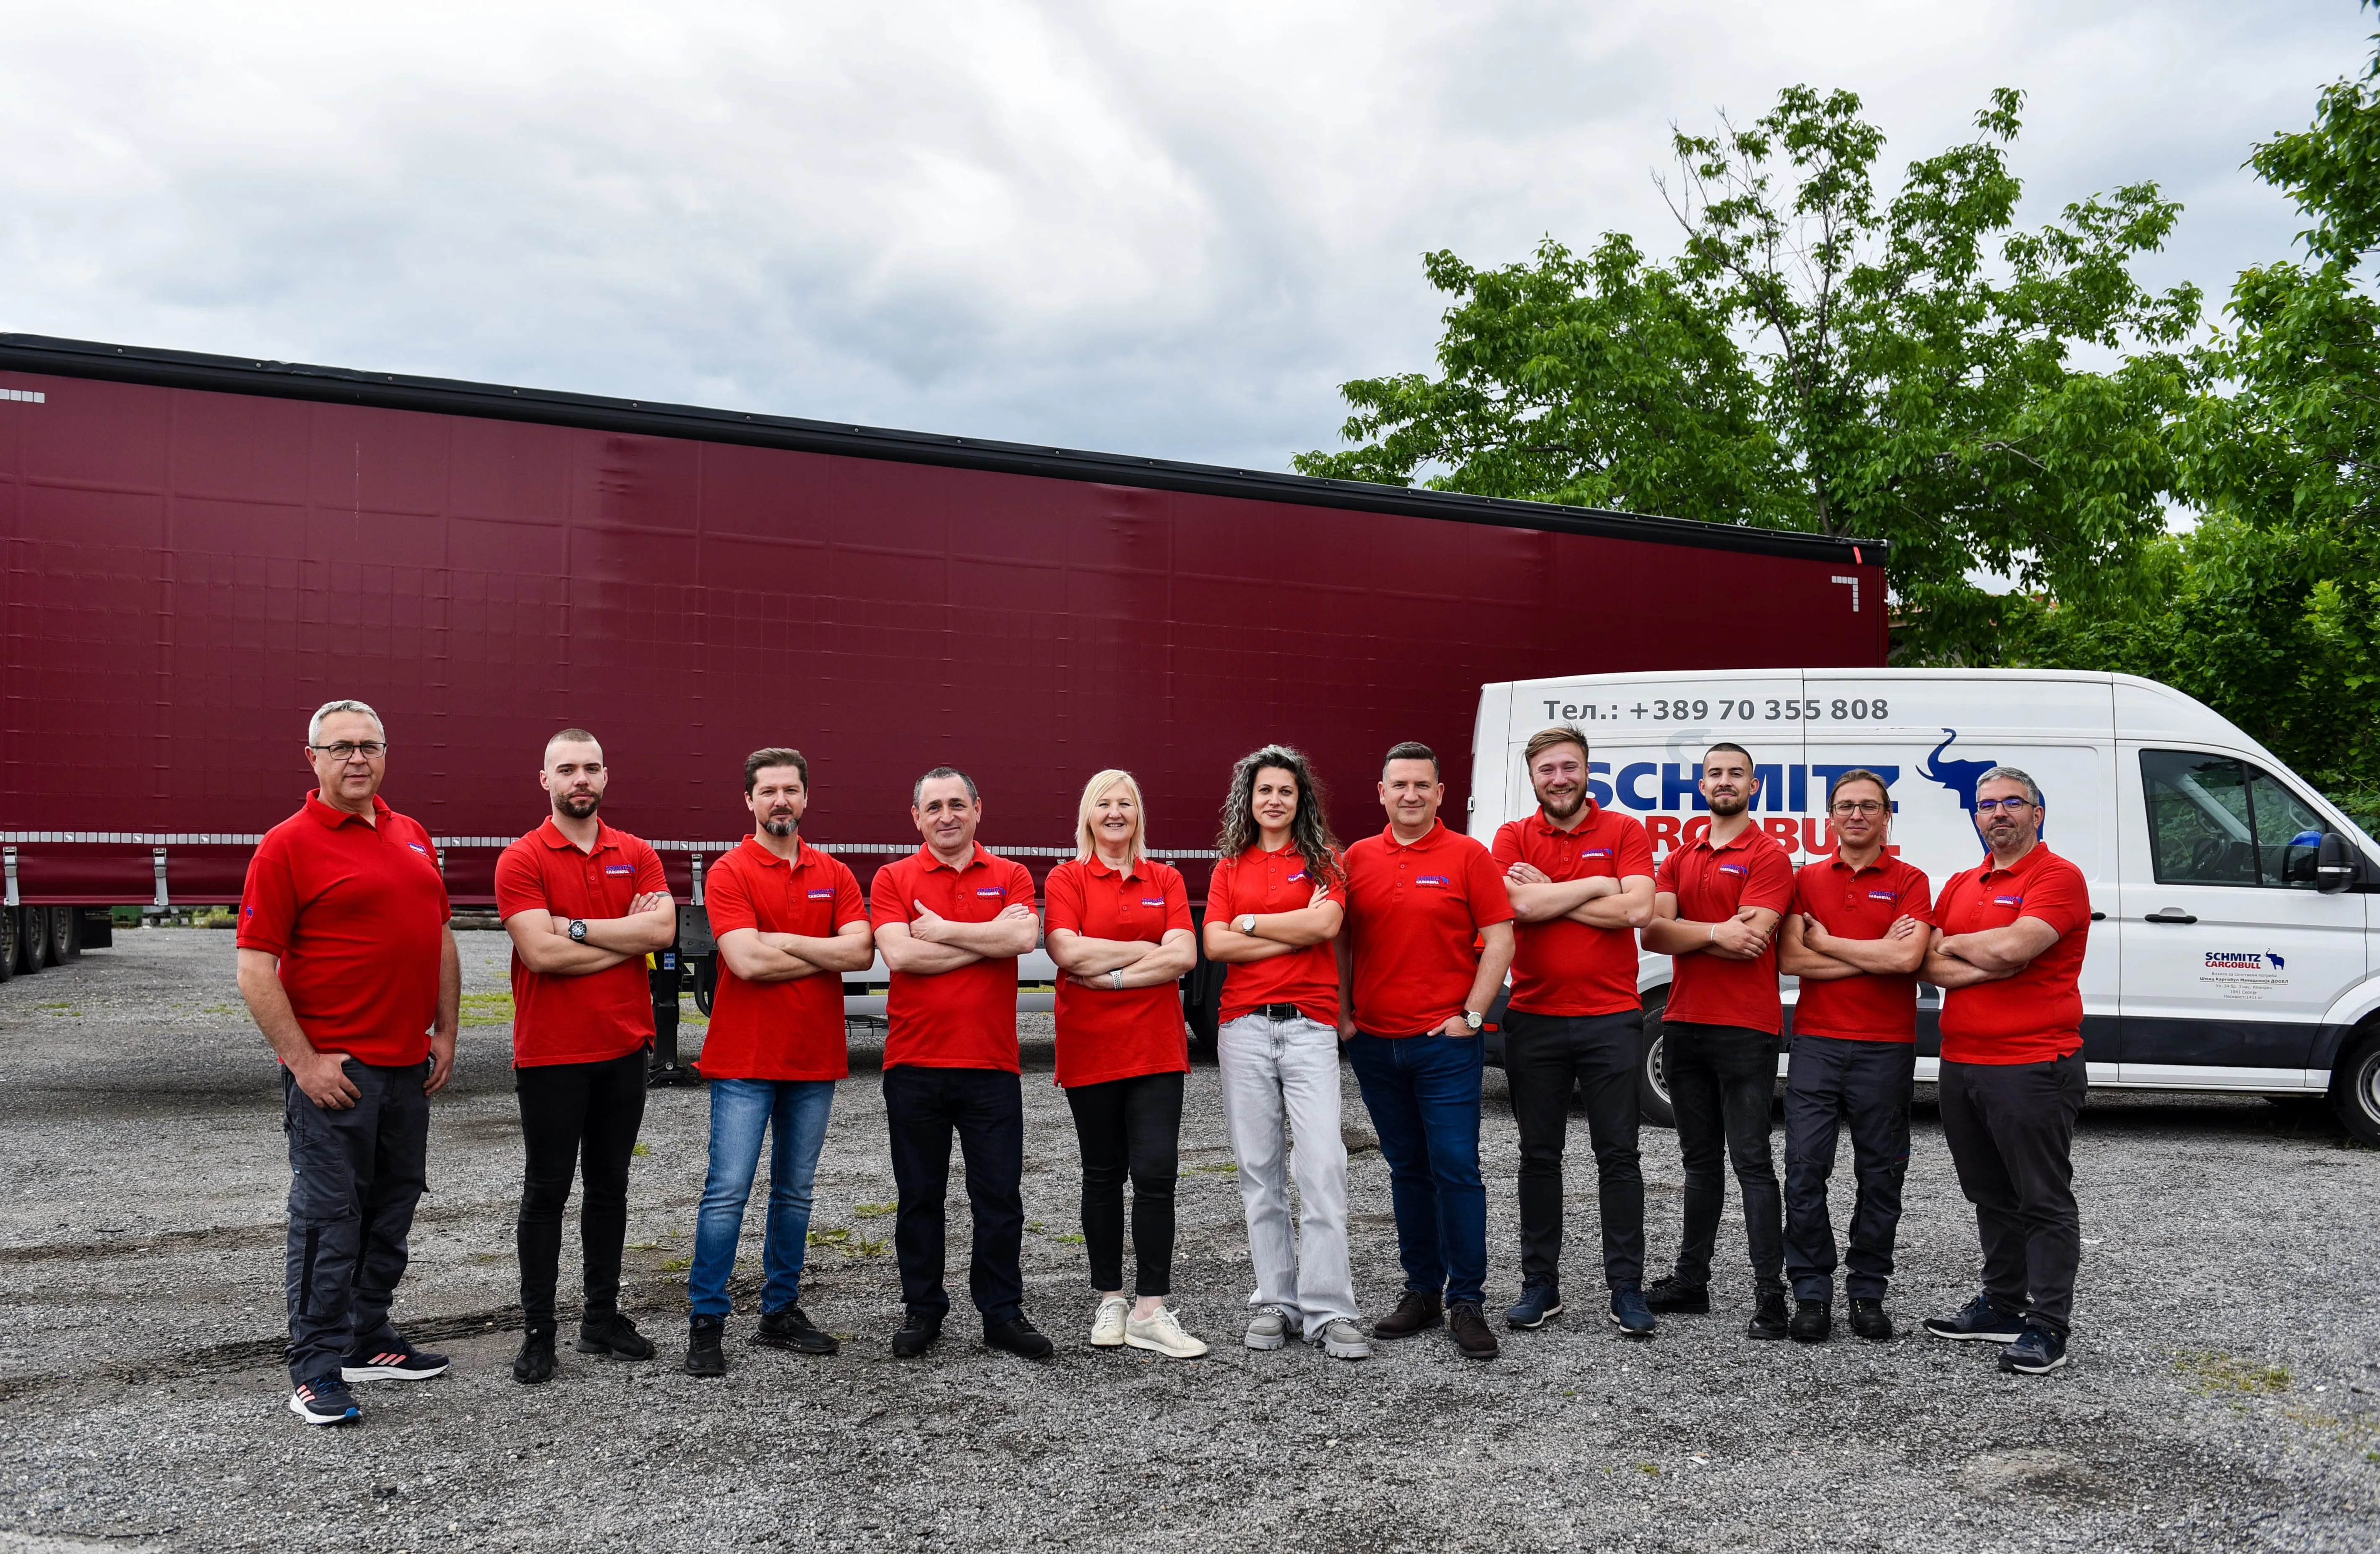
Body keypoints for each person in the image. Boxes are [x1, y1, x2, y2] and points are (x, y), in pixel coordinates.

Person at [235, 699, 459, 1426]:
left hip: (406, 1067)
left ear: (385, 753)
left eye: (368, 745)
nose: (356, 758)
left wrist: (448, 1033)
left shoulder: (413, 835)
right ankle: (315, 1366)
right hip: (337, 1074)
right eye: (340, 748)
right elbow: (255, 968)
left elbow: (440, 937)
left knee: (392, 1207)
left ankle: (368, 1337)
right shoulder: (286, 846)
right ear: (313, 759)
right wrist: (302, 1064)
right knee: (328, 1220)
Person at [680, 748, 873, 1377]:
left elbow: (862, 954)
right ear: (749, 800)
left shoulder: (834, 873)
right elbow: (745, 962)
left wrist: (783, 940)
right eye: (768, 791)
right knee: (727, 1193)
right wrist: (821, 951)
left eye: (790, 790)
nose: (780, 801)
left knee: (794, 1194)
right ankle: (706, 1323)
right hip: (744, 1061)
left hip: (813, 1060)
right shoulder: (731, 871)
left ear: (806, 798)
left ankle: (779, 1312)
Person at [493, 729, 676, 1385]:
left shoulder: (637, 852)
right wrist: (621, 940)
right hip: (551, 1055)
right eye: (566, 769)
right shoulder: (520, 859)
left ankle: (600, 1320)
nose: (580, 779)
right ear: (544, 780)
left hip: (623, 1050)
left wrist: (569, 927)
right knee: (546, 1193)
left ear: (606, 777)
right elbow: (538, 955)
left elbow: (662, 931)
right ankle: (539, 1332)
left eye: (591, 768)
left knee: (609, 1189)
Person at [1337, 741, 1516, 1361]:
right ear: (1381, 793)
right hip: (1376, 1046)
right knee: (1405, 1169)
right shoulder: (1355, 859)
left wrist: (1471, 1016)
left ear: (1440, 794)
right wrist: (1341, 1014)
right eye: (1399, 785)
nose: (1410, 795)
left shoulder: (1467, 856)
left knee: (1456, 1169)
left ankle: (1466, 1299)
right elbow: (1339, 943)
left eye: (1422, 785)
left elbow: (1498, 939)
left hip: (1444, 1047)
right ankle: (1421, 1292)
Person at [870, 767, 1051, 1361]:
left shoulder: (1012, 874)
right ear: (916, 817)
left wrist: (943, 932)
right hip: (913, 1064)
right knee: (918, 1197)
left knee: (998, 1198)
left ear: (978, 809)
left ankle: (1001, 1314)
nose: (946, 815)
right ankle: (922, 1311)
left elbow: (1024, 943)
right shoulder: (893, 877)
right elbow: (899, 954)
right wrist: (983, 937)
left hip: (991, 1066)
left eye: (957, 804)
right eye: (934, 807)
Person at [1919, 766, 2093, 1375]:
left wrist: (1967, 945)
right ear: (1973, 816)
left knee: (2041, 1199)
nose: (1997, 813)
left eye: (2011, 803)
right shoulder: (1962, 882)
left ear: (2036, 813)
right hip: (1962, 1064)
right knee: (1989, 1194)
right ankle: (2000, 1304)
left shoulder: (2058, 878)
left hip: (2032, 1064)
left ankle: (2048, 1326)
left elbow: (2015, 949)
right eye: (1985, 805)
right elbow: (1927, 967)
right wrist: (1985, 954)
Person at [1492, 726, 1659, 1337]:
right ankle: (1541, 1286)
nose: (1558, 779)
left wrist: (1549, 892)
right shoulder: (1511, 836)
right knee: (1538, 1157)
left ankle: (1626, 1289)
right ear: (1532, 777)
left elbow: (1639, 910)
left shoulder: (1623, 831)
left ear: (1587, 770)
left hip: (1610, 1018)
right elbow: (1515, 907)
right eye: (1546, 770)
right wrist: (1596, 885)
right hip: (1533, 1018)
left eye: (1568, 767)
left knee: (1618, 1156)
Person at [1205, 746, 1369, 1361]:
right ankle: (1276, 1300)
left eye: (1285, 791)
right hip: (1243, 1028)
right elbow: (1214, 945)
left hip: (1308, 1029)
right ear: (1248, 800)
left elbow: (1324, 929)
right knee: (1259, 1172)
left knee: (1323, 1166)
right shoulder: (1228, 868)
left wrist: (1249, 924)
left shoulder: (1324, 860)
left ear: (1301, 801)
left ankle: (1330, 1310)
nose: (1273, 800)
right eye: (1264, 791)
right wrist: (1279, 927)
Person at [1043, 770, 1203, 1358]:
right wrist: (1143, 950)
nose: (1115, 813)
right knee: (1103, 1174)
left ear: (1138, 815)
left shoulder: (1164, 877)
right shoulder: (1066, 878)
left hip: (1155, 1048)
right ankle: (1110, 1299)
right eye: (1104, 804)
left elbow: (1183, 954)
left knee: (1157, 1174)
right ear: (1088, 815)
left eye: (1126, 804)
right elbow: (1064, 949)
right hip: (1090, 1047)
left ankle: (1150, 1309)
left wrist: (1109, 978)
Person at [1639, 742, 1797, 1339]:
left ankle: (1769, 1295)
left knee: (1752, 1163)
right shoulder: (1679, 856)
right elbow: (1653, 933)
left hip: (1745, 1028)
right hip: (1683, 1024)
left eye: (1736, 773)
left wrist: (1694, 932)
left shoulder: (1769, 857)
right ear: (1701, 786)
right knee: (1698, 1163)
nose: (1724, 781)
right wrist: (1713, 930)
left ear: (1753, 787)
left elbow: (1752, 938)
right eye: (1714, 773)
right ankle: (1691, 1282)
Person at [1773, 769, 1933, 1343]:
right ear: (1830, 817)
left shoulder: (1911, 880)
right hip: (1817, 1042)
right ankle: (1810, 1292)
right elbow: (1792, 961)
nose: (1857, 815)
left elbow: (1907, 961)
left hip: (1885, 1047)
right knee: (1804, 1170)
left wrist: (1829, 944)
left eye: (1869, 806)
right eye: (1846, 806)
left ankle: (1868, 1291)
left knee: (1881, 1174)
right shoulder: (1806, 880)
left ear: (1887, 816)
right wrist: (1875, 953)